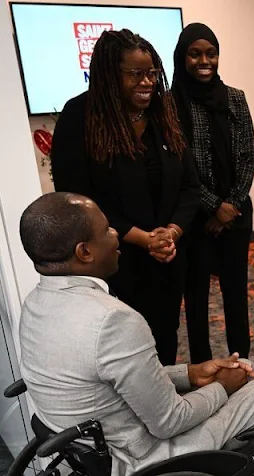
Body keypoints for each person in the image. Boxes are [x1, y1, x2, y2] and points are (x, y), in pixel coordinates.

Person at [18, 192, 254, 476]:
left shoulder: (35, 304)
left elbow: (111, 376)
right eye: (106, 229)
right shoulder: (112, 319)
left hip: (89, 444)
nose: (116, 234)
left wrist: (190, 373)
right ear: (84, 252)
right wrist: (222, 386)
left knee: (243, 372)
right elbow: (170, 422)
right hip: (145, 457)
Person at [50, 29, 200, 366]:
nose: (147, 82)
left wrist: (170, 234)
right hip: (113, 262)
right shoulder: (81, 117)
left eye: (152, 73)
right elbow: (77, 200)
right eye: (135, 74)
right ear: (109, 74)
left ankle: (164, 407)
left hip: (166, 256)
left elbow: (190, 187)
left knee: (164, 340)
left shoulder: (164, 111)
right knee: (123, 349)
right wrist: (143, 239)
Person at [172, 23, 254, 363]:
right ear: (183, 57)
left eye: (211, 53)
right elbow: (180, 166)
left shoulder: (236, 97)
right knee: (196, 298)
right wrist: (211, 207)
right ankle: (203, 363)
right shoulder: (170, 104)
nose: (204, 60)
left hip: (236, 216)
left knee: (236, 293)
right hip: (194, 220)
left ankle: (241, 359)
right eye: (195, 54)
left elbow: (249, 156)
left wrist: (230, 206)